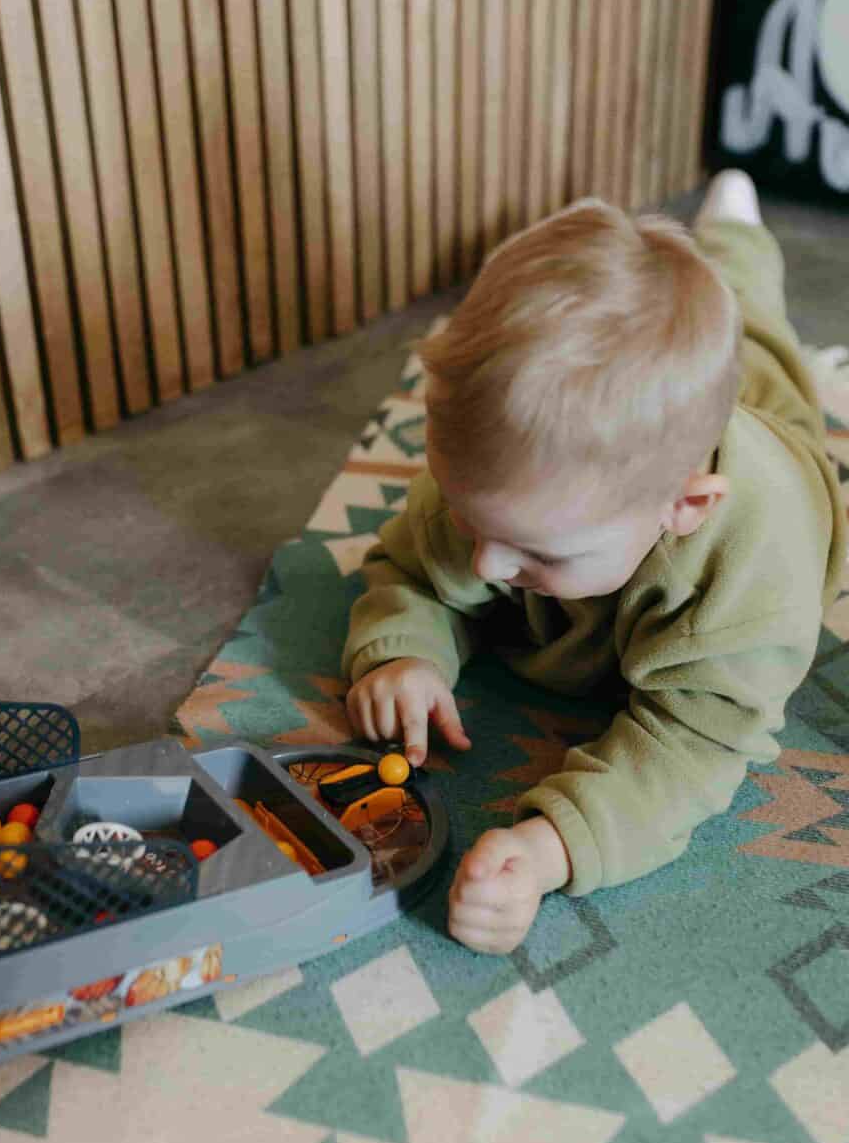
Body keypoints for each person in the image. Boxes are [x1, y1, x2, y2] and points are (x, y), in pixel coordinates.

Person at [342, 171, 846, 954]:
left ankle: (736, 226)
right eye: (470, 517)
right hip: (647, 442)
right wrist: (406, 650)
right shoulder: (507, 483)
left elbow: (691, 750)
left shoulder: (749, 589)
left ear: (687, 507)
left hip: (772, 432)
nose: (486, 560)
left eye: (537, 552)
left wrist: (551, 848)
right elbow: (408, 570)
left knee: (757, 328)